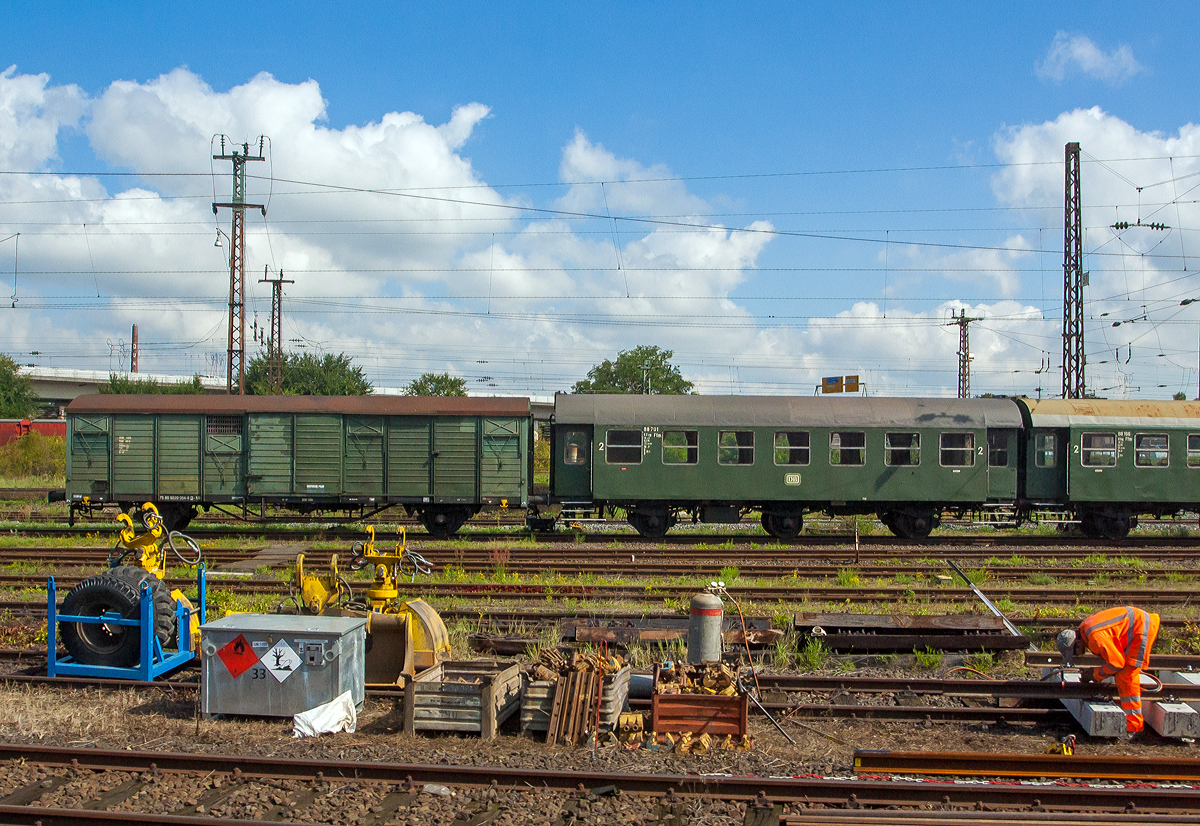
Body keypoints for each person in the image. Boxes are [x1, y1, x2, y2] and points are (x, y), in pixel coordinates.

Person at [1056, 606, 1160, 734]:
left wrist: (1094, 675)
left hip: (1140, 627)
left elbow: (1116, 664)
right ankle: (1122, 708)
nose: (1077, 655)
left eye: (1074, 653)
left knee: (1126, 675)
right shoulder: (1085, 629)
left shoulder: (1094, 638)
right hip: (1138, 624)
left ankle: (1134, 727)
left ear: (1077, 642)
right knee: (1121, 672)